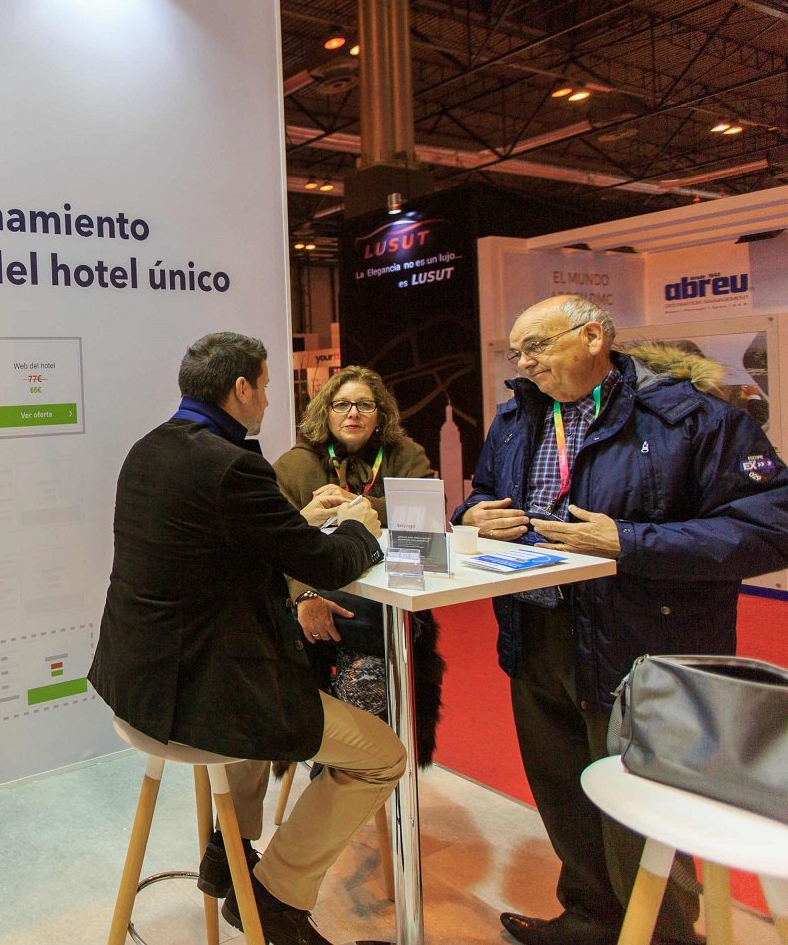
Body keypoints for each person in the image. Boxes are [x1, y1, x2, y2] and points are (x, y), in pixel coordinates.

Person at [454, 296, 788, 945]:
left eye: (537, 346)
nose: (522, 362)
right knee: (565, 794)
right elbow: (481, 492)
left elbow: (770, 527)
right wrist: (471, 516)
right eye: (518, 350)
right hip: (537, 636)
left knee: (640, 815)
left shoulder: (692, 415)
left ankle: (663, 935)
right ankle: (591, 917)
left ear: (592, 336)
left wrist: (629, 541)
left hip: (642, 645)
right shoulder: (516, 419)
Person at [88, 332, 406, 945]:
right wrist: (363, 528)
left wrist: (300, 520)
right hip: (200, 698)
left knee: (281, 712)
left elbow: (225, 544)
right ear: (241, 389)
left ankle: (228, 848)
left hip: (134, 687)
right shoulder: (234, 465)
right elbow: (330, 567)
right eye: (264, 385)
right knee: (382, 757)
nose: (267, 398)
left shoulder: (152, 449)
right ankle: (274, 896)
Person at [273, 366, 444, 765]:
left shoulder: (406, 456)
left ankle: (347, 767)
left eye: (365, 405)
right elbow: (277, 544)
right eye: (342, 404)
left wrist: (358, 505)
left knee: (368, 678)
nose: (353, 414)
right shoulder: (295, 465)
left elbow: (427, 516)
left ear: (380, 413)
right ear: (325, 412)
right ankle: (344, 761)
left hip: (390, 602)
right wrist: (305, 596)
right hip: (312, 598)